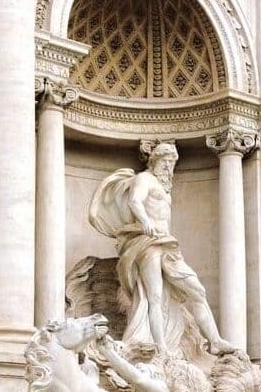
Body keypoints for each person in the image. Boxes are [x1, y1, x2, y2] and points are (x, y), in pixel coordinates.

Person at [89, 141, 236, 358]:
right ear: (155, 161)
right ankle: (161, 349)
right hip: (147, 243)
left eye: (172, 163)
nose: (169, 167)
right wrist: (145, 220)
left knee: (196, 290)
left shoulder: (164, 185)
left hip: (167, 243)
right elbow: (134, 201)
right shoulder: (144, 179)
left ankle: (215, 341)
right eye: (166, 162)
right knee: (154, 297)